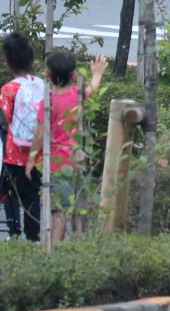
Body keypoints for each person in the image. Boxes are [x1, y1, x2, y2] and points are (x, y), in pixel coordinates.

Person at [26, 51, 108, 242]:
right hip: (76, 160)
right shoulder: (77, 95)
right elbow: (93, 88)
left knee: (59, 213)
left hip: (57, 164)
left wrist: (31, 159)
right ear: (73, 76)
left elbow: (39, 134)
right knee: (77, 210)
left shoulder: (48, 102)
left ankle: (54, 253)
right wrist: (97, 73)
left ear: (46, 75)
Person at [0, 32, 43, 241]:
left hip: (14, 154)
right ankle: (33, 238)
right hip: (39, 154)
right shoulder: (41, 85)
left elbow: (7, 117)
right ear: (33, 62)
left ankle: (14, 234)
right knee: (33, 197)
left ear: (7, 64)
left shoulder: (8, 89)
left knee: (9, 193)